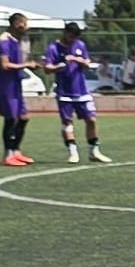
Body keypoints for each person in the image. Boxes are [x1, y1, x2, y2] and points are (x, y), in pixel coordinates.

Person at [44, 22, 109, 163]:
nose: (73, 39)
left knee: (91, 119)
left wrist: (79, 61)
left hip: (81, 91)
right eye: (71, 36)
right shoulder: (53, 48)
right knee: (67, 122)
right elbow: (47, 68)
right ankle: (73, 152)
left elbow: (87, 63)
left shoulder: (80, 45)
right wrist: (60, 65)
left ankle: (94, 151)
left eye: (75, 37)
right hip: (64, 92)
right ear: (65, 33)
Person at [0, 13, 38, 166]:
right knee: (10, 119)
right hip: (6, 85)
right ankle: (8, 154)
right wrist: (26, 65)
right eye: (24, 24)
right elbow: (5, 65)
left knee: (23, 117)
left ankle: (16, 151)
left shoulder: (16, 40)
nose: (26, 27)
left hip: (16, 84)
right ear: (17, 24)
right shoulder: (4, 40)